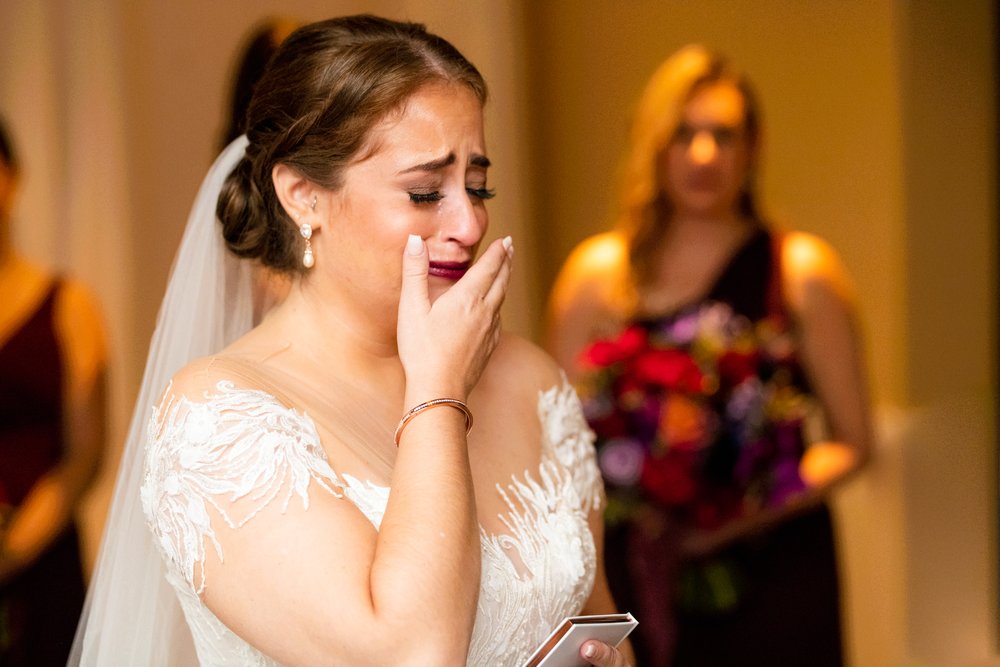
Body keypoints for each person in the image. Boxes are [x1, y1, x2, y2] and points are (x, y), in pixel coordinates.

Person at [71, 16, 634, 666]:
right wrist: (437, 392)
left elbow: (599, 620)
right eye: (425, 190)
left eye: (477, 185)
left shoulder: (530, 380)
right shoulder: (221, 419)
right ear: (303, 196)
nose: (470, 220)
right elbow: (409, 653)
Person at [547, 44, 871, 666]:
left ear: (752, 150)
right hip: (634, 567)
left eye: (723, 135)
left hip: (773, 569)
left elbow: (852, 443)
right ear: (653, 145)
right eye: (683, 134)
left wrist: (731, 519)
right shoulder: (597, 277)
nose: (703, 155)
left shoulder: (801, 272)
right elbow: (558, 451)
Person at [0, 117, 107, 665]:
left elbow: (85, 454)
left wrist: (13, 546)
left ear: (12, 176)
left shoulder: (68, 304)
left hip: (44, 556)